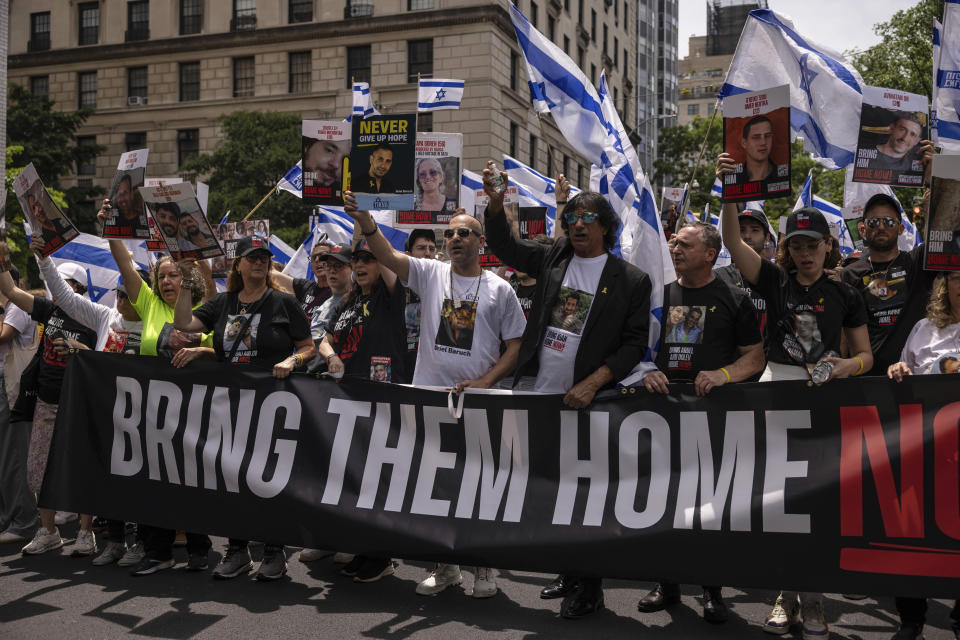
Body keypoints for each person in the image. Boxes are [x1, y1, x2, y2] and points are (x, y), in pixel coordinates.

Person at [483, 167, 652, 620]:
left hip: (588, 403)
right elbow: (504, 247)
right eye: (572, 216)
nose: (577, 224)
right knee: (551, 491)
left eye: (587, 218)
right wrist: (496, 205)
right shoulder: (554, 257)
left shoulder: (632, 280)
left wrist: (594, 381)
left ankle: (589, 586)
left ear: (606, 228)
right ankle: (567, 568)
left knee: (585, 495)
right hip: (539, 394)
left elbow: (635, 343)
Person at [342, 188, 526, 600]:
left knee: (477, 486)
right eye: (451, 234)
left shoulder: (500, 290)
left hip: (477, 403)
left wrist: (485, 382)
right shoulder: (430, 273)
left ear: (481, 242)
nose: (456, 238)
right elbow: (388, 257)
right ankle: (445, 568)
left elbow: (515, 347)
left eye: (466, 232)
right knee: (437, 486)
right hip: (429, 399)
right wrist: (366, 220)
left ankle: (483, 566)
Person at [717, 153, 872, 638]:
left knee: (819, 502)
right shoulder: (774, 280)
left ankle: (815, 597)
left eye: (813, 245)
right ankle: (785, 592)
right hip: (776, 391)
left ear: (828, 246)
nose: (805, 253)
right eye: (796, 245)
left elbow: (865, 354)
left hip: (825, 399)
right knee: (778, 500)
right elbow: (731, 240)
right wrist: (728, 188)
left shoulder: (847, 293)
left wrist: (845, 365)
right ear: (786, 248)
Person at [637, 222, 764, 623]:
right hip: (659, 415)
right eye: (674, 243)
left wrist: (723, 375)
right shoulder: (657, 295)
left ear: (710, 254)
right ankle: (666, 582)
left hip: (710, 418)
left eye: (685, 245)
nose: (675, 249)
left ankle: (712, 588)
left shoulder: (733, 297)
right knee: (662, 502)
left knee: (707, 505)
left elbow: (755, 357)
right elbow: (633, 346)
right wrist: (643, 370)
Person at [175, 235, 314, 581]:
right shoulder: (222, 304)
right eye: (252, 257)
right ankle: (236, 551)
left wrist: (292, 360)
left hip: (271, 406)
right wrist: (185, 282)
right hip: (230, 406)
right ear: (237, 264)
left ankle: (273, 551)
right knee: (232, 479)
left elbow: (309, 345)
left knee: (268, 481)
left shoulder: (284, 303)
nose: (259, 262)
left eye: (264, 257)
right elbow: (184, 324)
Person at [98, 198, 217, 575]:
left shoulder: (204, 311)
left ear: (188, 281)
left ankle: (199, 547)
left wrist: (200, 352)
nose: (167, 281)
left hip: (196, 412)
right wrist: (110, 226)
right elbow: (123, 263)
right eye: (163, 276)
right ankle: (157, 550)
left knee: (193, 482)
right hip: (151, 413)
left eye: (175, 275)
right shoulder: (148, 305)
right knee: (154, 481)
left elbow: (219, 352)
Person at [315, 237, 407, 583]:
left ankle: (381, 555)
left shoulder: (390, 296)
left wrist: (369, 224)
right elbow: (324, 337)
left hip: (383, 399)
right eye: (357, 261)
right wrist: (331, 355)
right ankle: (364, 548)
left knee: (379, 479)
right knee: (357, 478)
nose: (361, 266)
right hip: (350, 399)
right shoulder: (347, 302)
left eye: (369, 260)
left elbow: (387, 260)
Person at [0, 253, 99, 558]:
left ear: (78, 289)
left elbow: (102, 354)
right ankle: (49, 532)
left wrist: (77, 349)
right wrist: (3, 262)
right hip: (46, 399)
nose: (57, 289)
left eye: (65, 285)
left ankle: (85, 533)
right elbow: (14, 292)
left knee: (82, 467)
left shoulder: (93, 316)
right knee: (39, 466)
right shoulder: (49, 310)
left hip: (79, 402)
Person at [886, 272, 960, 640]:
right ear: (946, 285)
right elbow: (904, 368)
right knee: (913, 531)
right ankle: (911, 619)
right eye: (958, 277)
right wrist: (899, 370)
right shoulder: (923, 328)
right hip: (925, 445)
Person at [841, 143, 936, 376]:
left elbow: (943, 231)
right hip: (868, 382)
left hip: (915, 376)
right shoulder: (848, 275)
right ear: (862, 230)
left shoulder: (917, 264)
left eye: (889, 222)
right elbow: (842, 336)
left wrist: (933, 175)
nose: (881, 226)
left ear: (901, 229)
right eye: (874, 222)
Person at [0, 265, 40, 545]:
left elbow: (4, 335)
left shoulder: (17, 305)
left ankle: (24, 521)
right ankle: (7, 517)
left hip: (10, 387)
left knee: (13, 456)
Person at [715, 202, 774, 343]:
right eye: (741, 230)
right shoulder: (718, 277)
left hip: (770, 361)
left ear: (767, 238)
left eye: (755, 230)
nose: (747, 236)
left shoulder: (777, 278)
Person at [402, 229, 436, 374]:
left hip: (432, 370)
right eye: (421, 248)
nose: (428, 253)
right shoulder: (394, 284)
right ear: (408, 255)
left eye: (431, 249)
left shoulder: (445, 285)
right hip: (401, 367)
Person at [273, 239, 332, 323]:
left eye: (322, 256)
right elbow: (276, 276)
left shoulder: (341, 293)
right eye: (313, 257)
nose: (317, 260)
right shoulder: (306, 287)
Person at [735, 116, 776, 184]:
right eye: (756, 137)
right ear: (744, 143)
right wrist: (722, 181)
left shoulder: (783, 175)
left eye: (767, 136)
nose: (763, 142)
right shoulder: (734, 178)